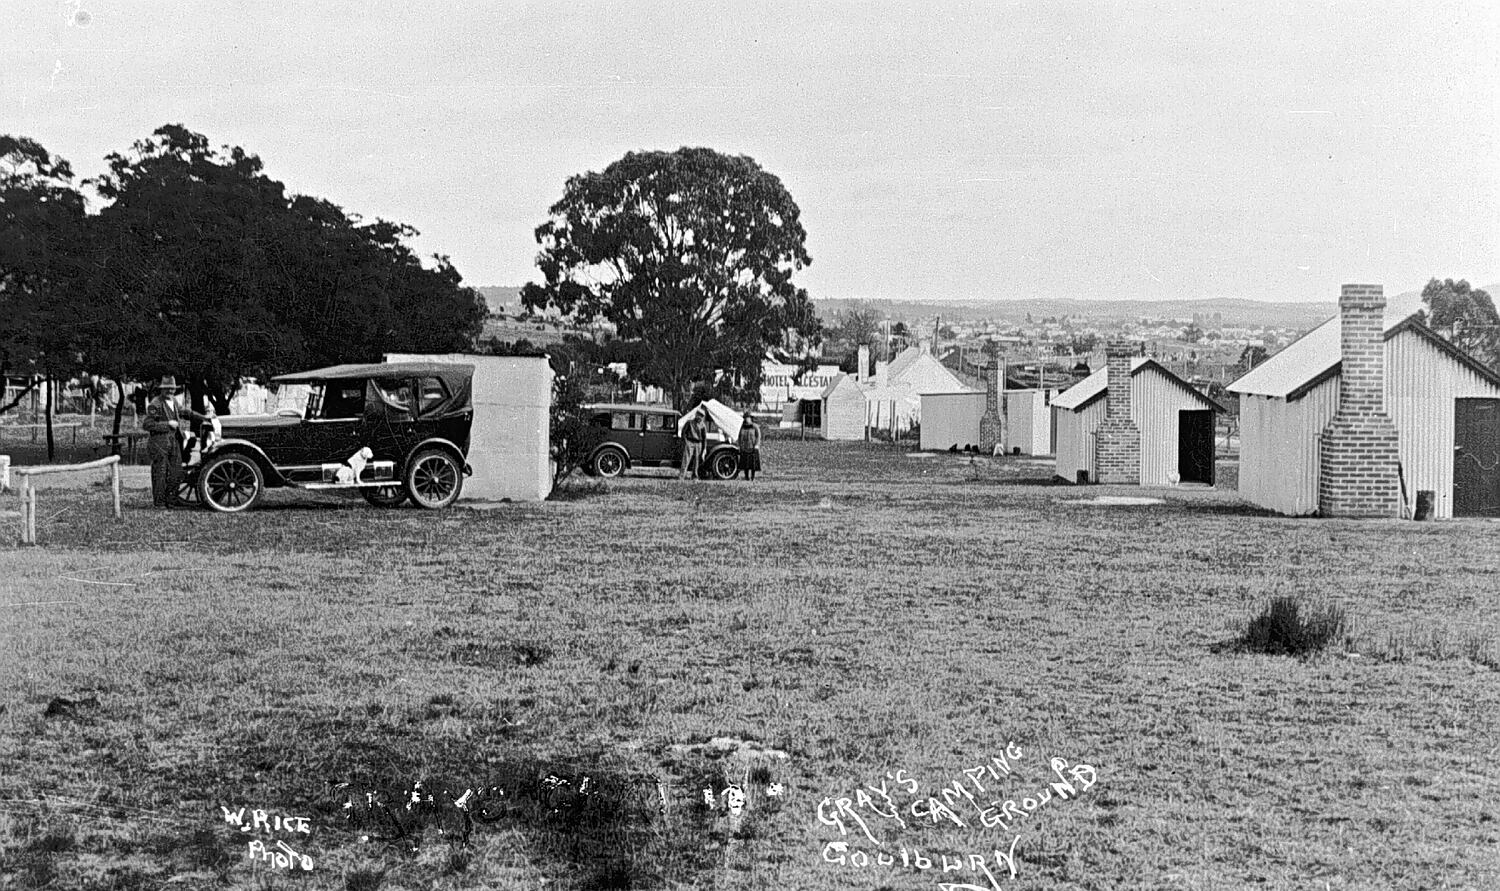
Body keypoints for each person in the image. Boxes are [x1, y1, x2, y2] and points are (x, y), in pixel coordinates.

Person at [142, 376, 209, 508]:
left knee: (176, 471)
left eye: (172, 389)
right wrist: (167, 424)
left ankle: (172, 499)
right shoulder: (155, 404)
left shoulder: (173, 401)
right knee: (160, 473)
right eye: (167, 389)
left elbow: (186, 412)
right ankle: (159, 503)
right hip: (159, 443)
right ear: (162, 389)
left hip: (174, 441)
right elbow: (147, 424)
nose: (170, 391)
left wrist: (203, 417)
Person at [679, 410, 707, 480]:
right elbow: (683, 433)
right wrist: (686, 442)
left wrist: (704, 448)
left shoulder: (703, 425)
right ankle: (682, 476)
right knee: (686, 459)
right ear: (696, 414)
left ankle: (694, 476)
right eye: (699, 415)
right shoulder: (689, 422)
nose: (700, 417)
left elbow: (704, 438)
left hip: (699, 443)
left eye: (702, 416)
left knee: (697, 461)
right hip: (690, 442)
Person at [736, 412, 762, 480]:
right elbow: (739, 437)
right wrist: (740, 445)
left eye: (748, 418)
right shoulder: (742, 427)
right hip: (744, 447)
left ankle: (752, 476)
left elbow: (758, 436)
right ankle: (746, 476)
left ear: (750, 418)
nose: (747, 419)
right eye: (745, 418)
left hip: (753, 447)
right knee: (745, 463)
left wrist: (756, 445)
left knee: (753, 464)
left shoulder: (755, 426)